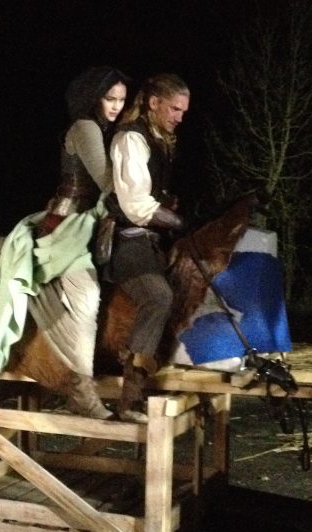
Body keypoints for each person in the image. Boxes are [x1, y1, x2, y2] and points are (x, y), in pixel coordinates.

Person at [36, 65, 130, 420]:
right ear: (94, 98)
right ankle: (81, 392)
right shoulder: (86, 127)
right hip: (70, 224)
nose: (116, 106)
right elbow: (107, 181)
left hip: (90, 220)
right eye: (110, 98)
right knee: (87, 297)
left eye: (121, 100)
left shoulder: (101, 128)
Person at [105, 73, 190, 423]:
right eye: (174, 108)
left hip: (149, 239)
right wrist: (174, 221)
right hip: (125, 237)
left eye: (184, 111)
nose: (179, 117)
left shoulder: (161, 140)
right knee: (159, 297)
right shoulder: (131, 139)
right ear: (154, 103)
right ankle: (129, 400)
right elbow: (136, 206)